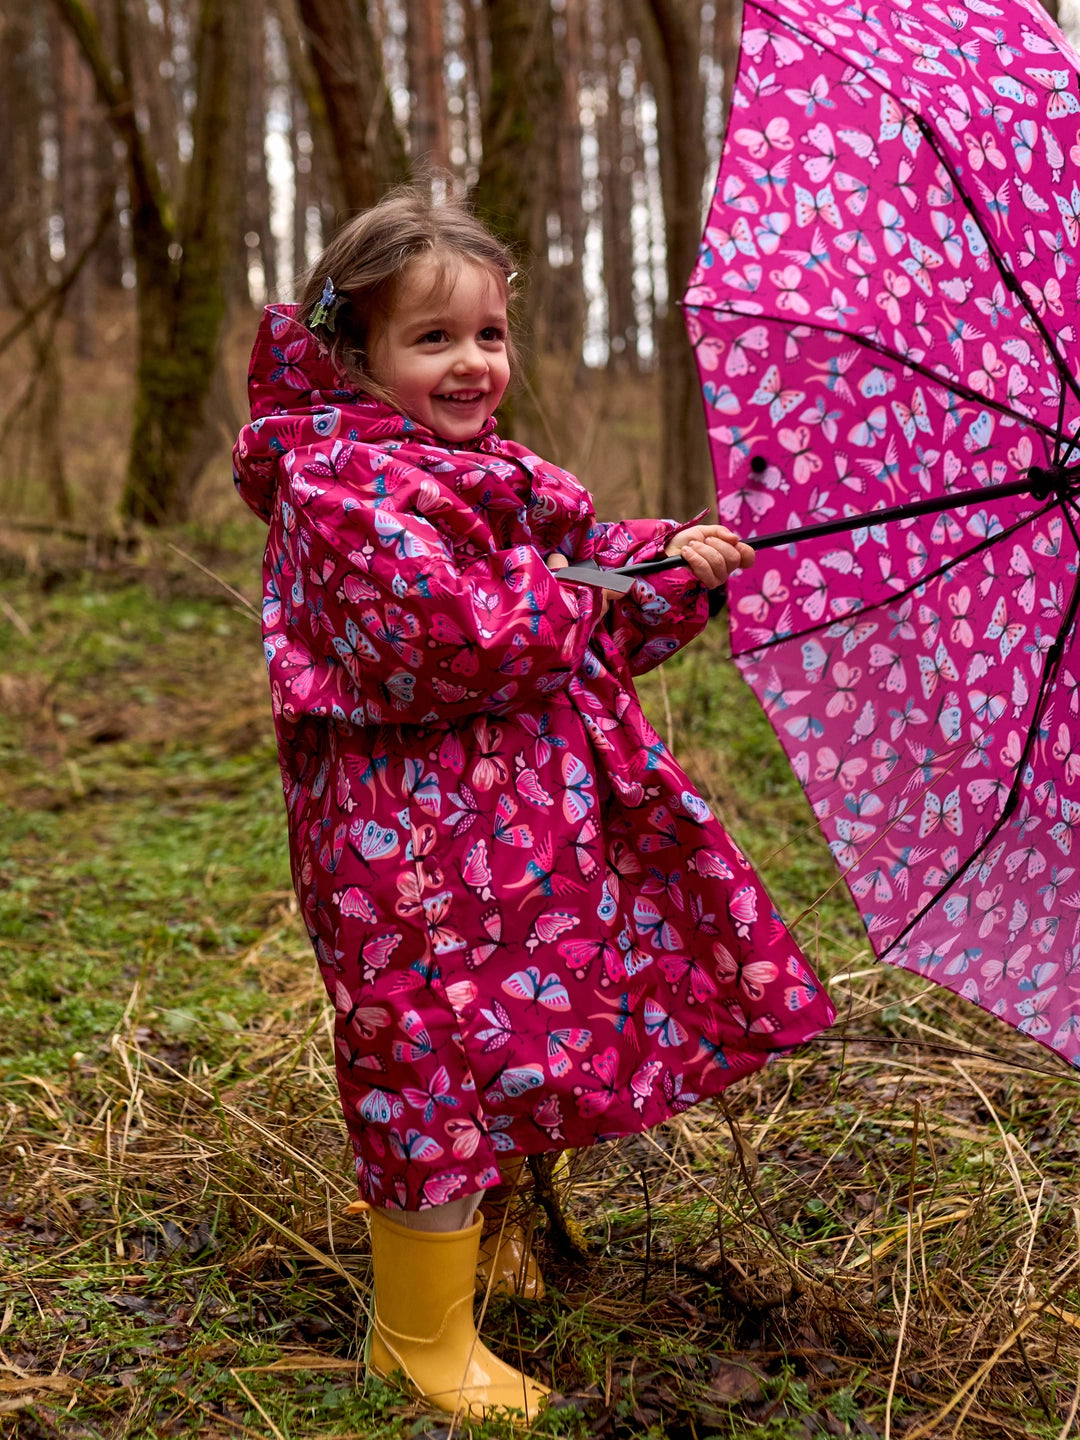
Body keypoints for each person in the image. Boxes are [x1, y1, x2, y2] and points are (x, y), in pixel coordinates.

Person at [233, 185, 835, 1420]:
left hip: (513, 837)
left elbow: (575, 607)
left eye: (490, 336)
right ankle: (416, 1335)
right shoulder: (339, 487)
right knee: (424, 1055)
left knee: (509, 1033)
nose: (471, 365)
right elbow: (444, 637)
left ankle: (492, 1250)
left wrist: (674, 569)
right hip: (399, 850)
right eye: (433, 338)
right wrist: (602, 587)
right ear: (355, 354)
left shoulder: (493, 472)